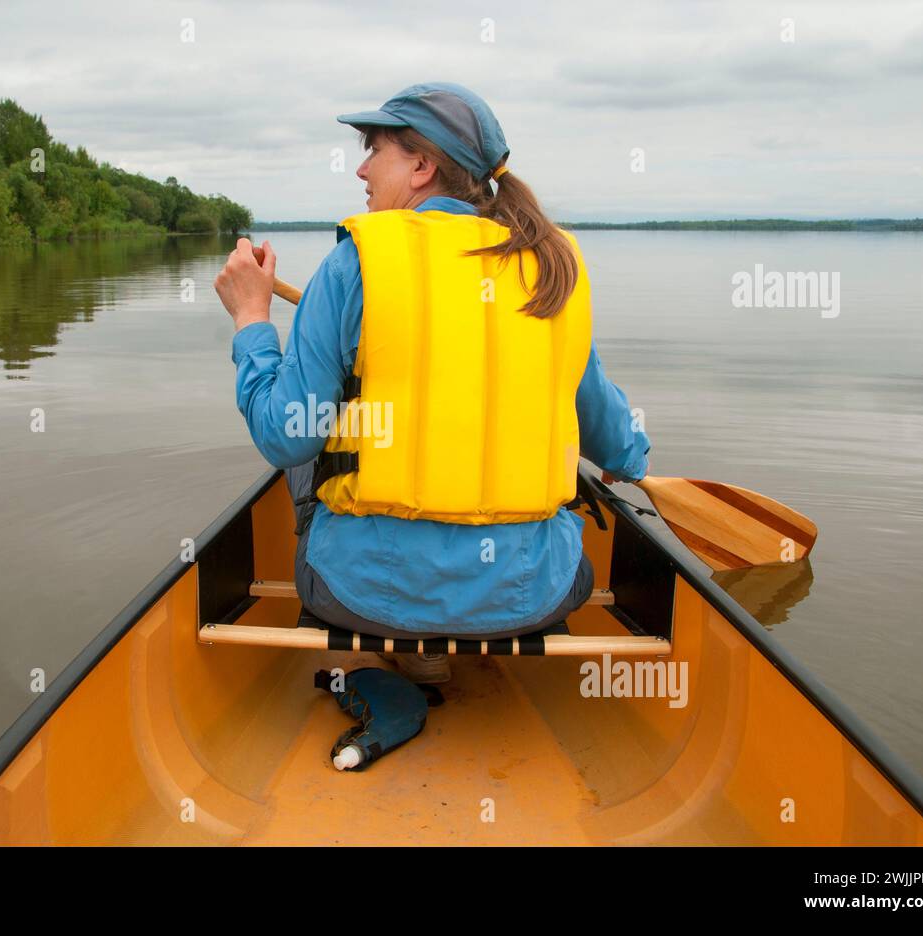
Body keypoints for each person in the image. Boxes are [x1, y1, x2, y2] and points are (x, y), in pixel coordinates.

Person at [214, 82, 650, 684]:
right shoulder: (553, 269)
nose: (362, 169)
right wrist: (631, 458)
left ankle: (380, 657)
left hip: (360, 597)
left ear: (422, 165)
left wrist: (251, 320)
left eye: (375, 150)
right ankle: (445, 644)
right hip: (538, 597)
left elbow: (284, 437)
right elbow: (614, 438)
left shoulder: (351, 265)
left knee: (312, 440)